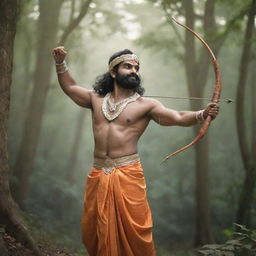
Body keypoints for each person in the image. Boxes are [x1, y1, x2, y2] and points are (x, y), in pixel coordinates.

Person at [52, 47, 219, 256]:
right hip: (98, 174)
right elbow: (70, 87)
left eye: (136, 68)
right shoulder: (96, 99)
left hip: (128, 174)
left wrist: (202, 113)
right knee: (93, 230)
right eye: (128, 66)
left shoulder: (146, 105)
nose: (134, 71)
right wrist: (60, 63)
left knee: (135, 233)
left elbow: (177, 116)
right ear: (113, 72)